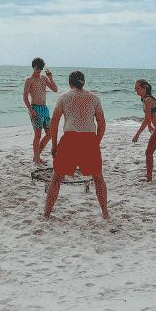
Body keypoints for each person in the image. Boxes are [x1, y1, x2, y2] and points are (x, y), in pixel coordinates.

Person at [45, 71, 108, 219]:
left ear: (69, 82)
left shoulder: (63, 97)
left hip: (70, 139)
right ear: (84, 82)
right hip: (90, 139)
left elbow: (54, 123)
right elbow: (102, 124)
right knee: (98, 178)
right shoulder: (94, 98)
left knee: (57, 178)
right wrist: (96, 142)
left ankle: (46, 213)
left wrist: (54, 144)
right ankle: (105, 213)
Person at [23, 57, 58, 165]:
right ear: (33, 67)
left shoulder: (43, 78)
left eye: (41, 68)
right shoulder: (29, 80)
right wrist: (31, 110)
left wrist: (51, 78)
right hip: (35, 108)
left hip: (44, 108)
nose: (39, 70)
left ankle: (37, 155)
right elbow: (25, 98)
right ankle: (37, 158)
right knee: (38, 134)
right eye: (37, 68)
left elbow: (55, 89)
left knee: (49, 134)